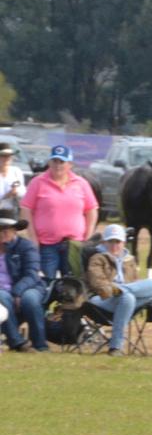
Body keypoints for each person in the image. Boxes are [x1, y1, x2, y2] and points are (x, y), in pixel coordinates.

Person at [20, 144, 99, 280]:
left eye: (62, 162)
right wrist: (33, 238)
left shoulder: (81, 183)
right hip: (46, 245)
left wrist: (88, 236)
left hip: (74, 244)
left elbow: (92, 209)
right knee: (47, 283)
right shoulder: (38, 182)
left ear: (70, 164)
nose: (57, 165)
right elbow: (26, 209)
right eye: (54, 161)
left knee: (73, 284)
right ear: (49, 162)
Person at [86, 224, 152, 356]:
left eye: (118, 241)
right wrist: (114, 291)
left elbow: (136, 283)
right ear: (104, 242)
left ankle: (123, 291)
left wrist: (122, 290)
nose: (114, 245)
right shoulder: (97, 258)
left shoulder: (129, 260)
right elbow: (97, 283)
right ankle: (116, 347)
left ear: (124, 242)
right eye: (111, 241)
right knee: (128, 297)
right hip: (102, 298)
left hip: (125, 299)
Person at [0, 208, 48, 352]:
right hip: (3, 290)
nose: (2, 233)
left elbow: (32, 274)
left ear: (15, 230)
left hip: (29, 286)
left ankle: (40, 345)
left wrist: (17, 292)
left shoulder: (26, 247)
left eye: (5, 229)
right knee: (1, 297)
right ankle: (18, 342)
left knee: (30, 300)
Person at [0, 143, 26, 212]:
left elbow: (23, 193)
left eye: (9, 155)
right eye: (3, 155)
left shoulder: (16, 171)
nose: (7, 158)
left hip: (12, 213)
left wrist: (16, 192)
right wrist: (6, 195)